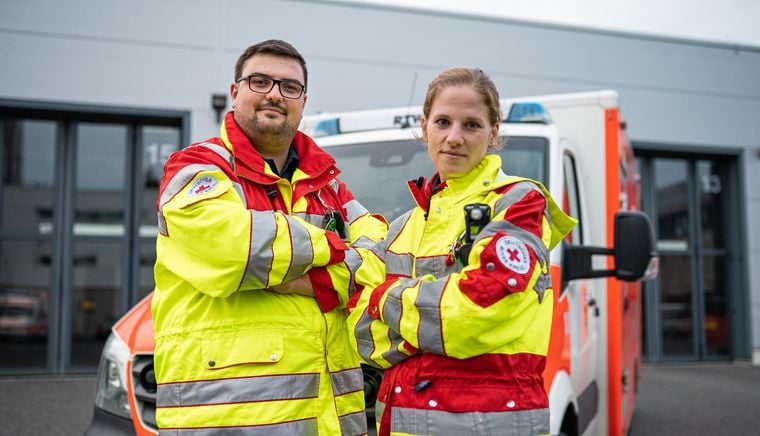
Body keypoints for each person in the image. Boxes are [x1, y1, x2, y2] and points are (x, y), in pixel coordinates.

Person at [151, 39, 387, 435]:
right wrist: (334, 250)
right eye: (260, 81)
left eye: (289, 87)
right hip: (229, 418)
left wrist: (301, 277)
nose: (275, 94)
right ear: (234, 92)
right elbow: (234, 249)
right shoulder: (197, 168)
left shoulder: (326, 182)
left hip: (328, 419)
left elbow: (381, 256)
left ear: (303, 100)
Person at [347, 67, 576, 435]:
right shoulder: (402, 226)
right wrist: (430, 323)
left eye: (471, 124)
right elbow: (355, 329)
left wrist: (381, 299)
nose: (454, 137)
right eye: (442, 121)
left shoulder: (519, 204)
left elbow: (471, 312)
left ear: (493, 132)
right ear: (425, 127)